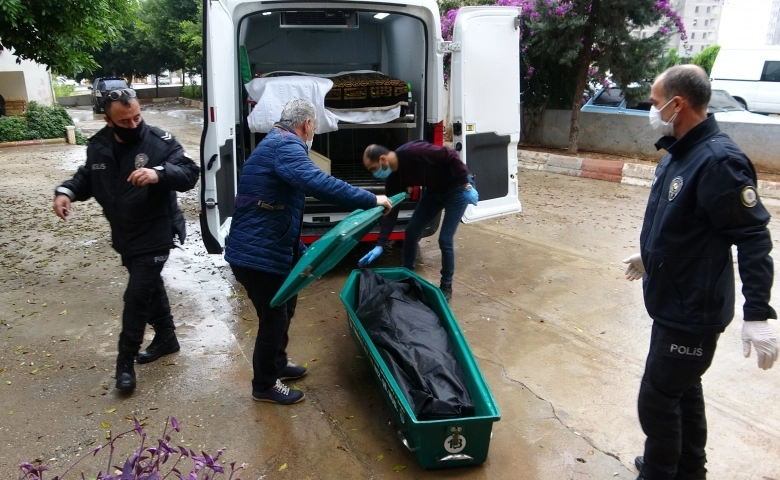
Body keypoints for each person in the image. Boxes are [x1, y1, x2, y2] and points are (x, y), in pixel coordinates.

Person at [622, 65, 778, 480]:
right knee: (682, 390)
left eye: (655, 104)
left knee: (657, 399)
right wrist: (648, 257)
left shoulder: (718, 162)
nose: (651, 112)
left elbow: (753, 239)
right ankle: (689, 469)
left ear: (678, 104)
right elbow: (681, 224)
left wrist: (758, 313)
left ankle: (659, 472)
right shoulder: (680, 152)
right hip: (672, 299)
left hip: (693, 308)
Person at [225, 99, 392, 405]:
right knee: (273, 319)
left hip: (268, 247)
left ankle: (277, 365)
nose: (314, 131)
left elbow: (279, 209)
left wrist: (300, 249)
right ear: (307, 124)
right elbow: (318, 182)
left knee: (285, 309)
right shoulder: (286, 146)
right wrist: (371, 199)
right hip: (256, 255)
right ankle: (264, 385)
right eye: (315, 126)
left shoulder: (275, 142)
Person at [53, 88, 199, 393]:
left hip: (157, 231)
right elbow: (88, 177)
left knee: (136, 296)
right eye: (124, 121)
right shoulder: (99, 146)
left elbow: (188, 172)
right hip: (125, 235)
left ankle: (125, 362)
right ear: (108, 120)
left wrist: (158, 173)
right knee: (149, 285)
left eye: (137, 117)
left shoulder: (159, 142)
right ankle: (167, 337)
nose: (133, 125)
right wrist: (66, 192)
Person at [359, 141, 478, 302]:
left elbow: (450, 155)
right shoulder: (394, 179)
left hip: (458, 189)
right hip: (435, 192)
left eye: (373, 168)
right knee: (411, 232)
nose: (374, 173)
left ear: (383, 159)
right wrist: (380, 244)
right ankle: (408, 278)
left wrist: (466, 184)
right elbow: (391, 210)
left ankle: (446, 285)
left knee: (445, 239)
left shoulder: (412, 151)